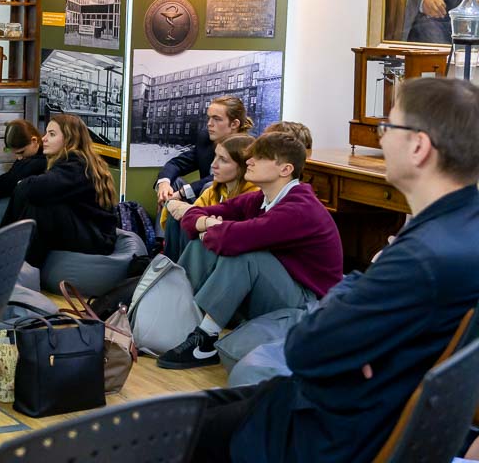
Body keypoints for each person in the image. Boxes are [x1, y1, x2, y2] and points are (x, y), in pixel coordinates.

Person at [190, 77, 479, 462]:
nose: (380, 139)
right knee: (205, 406)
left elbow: (305, 345)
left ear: (418, 146)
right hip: (377, 414)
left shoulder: (420, 257)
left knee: (181, 428)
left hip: (334, 431)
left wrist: (363, 276)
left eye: (388, 127)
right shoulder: (461, 227)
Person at [158, 132, 342, 370]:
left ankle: (204, 340)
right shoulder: (260, 199)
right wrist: (208, 225)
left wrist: (215, 227)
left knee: (248, 256)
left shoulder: (299, 208)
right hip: (278, 288)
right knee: (199, 244)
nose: (249, 161)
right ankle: (177, 317)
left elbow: (235, 240)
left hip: (306, 303)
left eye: (261, 157)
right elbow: (193, 215)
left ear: (285, 169)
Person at [4, 114, 119, 269]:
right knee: (38, 200)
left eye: (51, 134)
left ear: (69, 139)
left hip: (98, 240)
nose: (43, 139)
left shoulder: (77, 165)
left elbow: (34, 188)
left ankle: (15, 263)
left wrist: (21, 184)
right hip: (91, 231)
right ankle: (9, 256)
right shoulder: (77, 162)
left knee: (40, 206)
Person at [161, 133, 255, 262]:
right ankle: (171, 271)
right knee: (176, 217)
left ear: (243, 165)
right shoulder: (214, 191)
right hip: (208, 251)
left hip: (232, 258)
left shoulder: (254, 195)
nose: (213, 165)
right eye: (216, 156)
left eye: (223, 159)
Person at [156, 96, 253, 213]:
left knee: (210, 185)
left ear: (234, 124)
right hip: (202, 199)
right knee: (172, 184)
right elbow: (177, 163)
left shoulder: (247, 147)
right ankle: (163, 230)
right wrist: (164, 184)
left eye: (216, 119)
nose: (209, 124)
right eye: (209, 118)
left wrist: (182, 192)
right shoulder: (206, 139)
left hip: (228, 205)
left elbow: (219, 179)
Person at [0, 119, 47, 233]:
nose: (18, 158)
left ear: (34, 141)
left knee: (2, 200)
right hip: (19, 200)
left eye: (21, 152)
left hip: (30, 210)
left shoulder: (40, 161)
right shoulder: (30, 156)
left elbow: (10, 181)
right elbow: (9, 177)